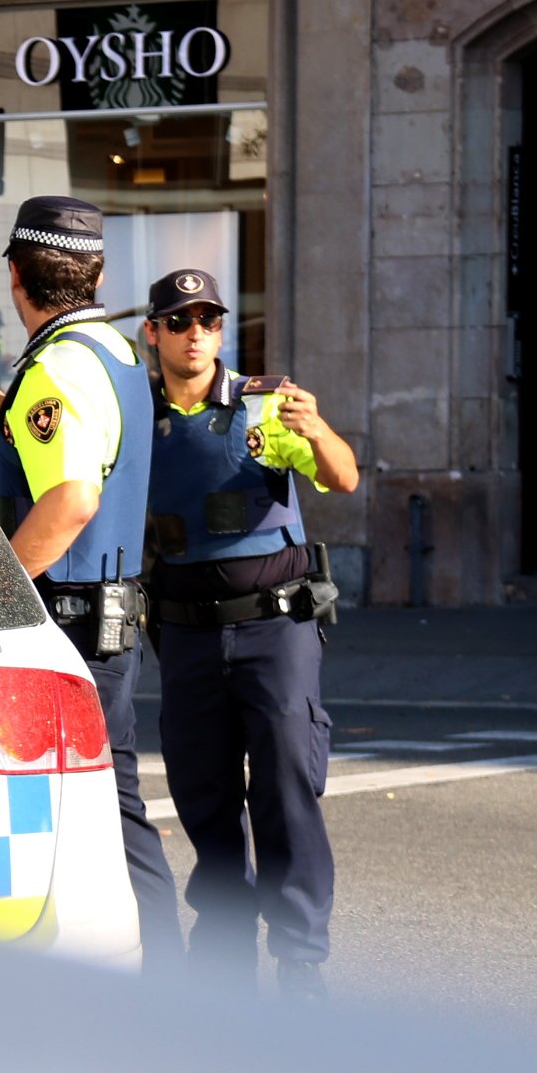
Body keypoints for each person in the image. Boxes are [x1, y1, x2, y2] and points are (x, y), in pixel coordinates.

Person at [0, 195, 181, 970]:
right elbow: (70, 442)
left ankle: (154, 988)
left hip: (68, 622)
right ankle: (161, 981)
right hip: (109, 616)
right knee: (113, 807)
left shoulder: (55, 365)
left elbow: (72, 496)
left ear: (16, 278)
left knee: (87, 815)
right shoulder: (113, 351)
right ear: (95, 275)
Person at [140, 269, 359, 997]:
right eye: (180, 321)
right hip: (187, 635)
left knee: (286, 786)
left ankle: (301, 961)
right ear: (154, 332)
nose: (195, 333)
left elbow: (344, 477)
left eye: (208, 320)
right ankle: (225, 953)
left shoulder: (266, 405)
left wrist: (318, 430)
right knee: (202, 793)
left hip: (274, 627)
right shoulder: (134, 414)